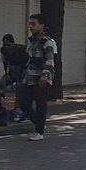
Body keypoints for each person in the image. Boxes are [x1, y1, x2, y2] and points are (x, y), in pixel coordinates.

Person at [18, 12, 57, 141]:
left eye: (33, 24)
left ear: (42, 26)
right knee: (24, 103)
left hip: (40, 78)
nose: (31, 26)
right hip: (29, 77)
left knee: (41, 105)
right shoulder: (31, 42)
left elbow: (50, 60)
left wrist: (45, 76)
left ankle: (39, 132)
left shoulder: (47, 42)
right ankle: (39, 123)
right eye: (30, 24)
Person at [0, 33, 28, 120]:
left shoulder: (21, 50)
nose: (6, 47)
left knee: (19, 90)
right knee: (0, 85)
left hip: (21, 71)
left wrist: (21, 77)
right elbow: (5, 63)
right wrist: (7, 75)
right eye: (4, 45)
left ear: (13, 43)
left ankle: (17, 113)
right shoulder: (3, 51)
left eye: (8, 45)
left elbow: (25, 64)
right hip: (11, 71)